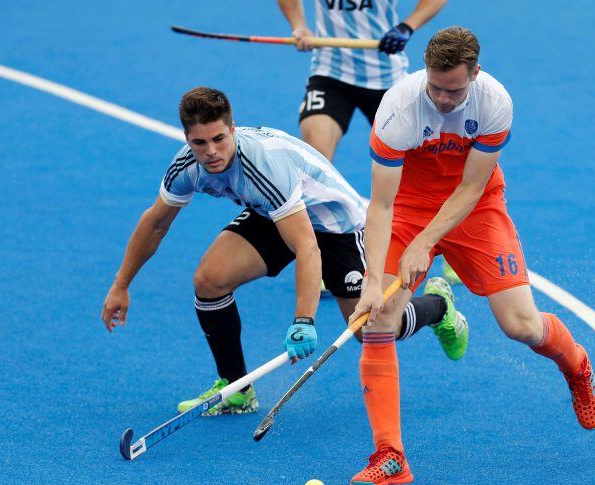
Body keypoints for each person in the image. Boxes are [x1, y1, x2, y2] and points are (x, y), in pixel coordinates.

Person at [101, 87, 467, 416]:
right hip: (276, 213)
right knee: (209, 280)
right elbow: (155, 223)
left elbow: (307, 245)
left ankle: (438, 306)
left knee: (372, 330)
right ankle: (237, 389)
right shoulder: (186, 166)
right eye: (200, 143)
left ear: (233, 129)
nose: (211, 152)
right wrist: (121, 284)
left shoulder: (262, 167)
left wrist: (303, 321)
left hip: (337, 225)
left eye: (218, 139)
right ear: (187, 139)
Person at [347, 27, 595, 485]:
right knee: (379, 318)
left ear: (476, 74)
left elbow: (471, 188)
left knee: (521, 326)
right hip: (407, 205)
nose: (444, 99)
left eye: (454, 90)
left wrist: (425, 243)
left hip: (476, 206)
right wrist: (372, 278)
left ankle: (577, 366)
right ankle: (391, 456)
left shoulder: (495, 103)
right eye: (435, 87)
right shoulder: (398, 109)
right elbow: (382, 204)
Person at [277, 0, 462, 285]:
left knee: (430, 165)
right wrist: (298, 25)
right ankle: (324, 255)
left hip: (387, 79)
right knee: (313, 164)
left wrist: (407, 25)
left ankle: (451, 245)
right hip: (330, 75)